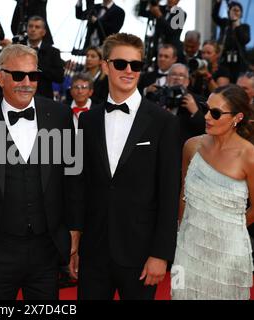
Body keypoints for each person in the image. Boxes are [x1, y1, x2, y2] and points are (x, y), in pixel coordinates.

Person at [71, 33, 181, 300]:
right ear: (106, 66)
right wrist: (75, 242)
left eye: (136, 65)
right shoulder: (89, 120)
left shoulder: (162, 122)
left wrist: (161, 254)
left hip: (141, 254)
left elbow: (169, 193)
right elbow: (79, 185)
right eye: (121, 64)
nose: (129, 71)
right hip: (94, 252)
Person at [0, 44, 78, 300]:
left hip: (46, 248)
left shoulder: (60, 115)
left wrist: (74, 229)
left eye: (33, 75)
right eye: (18, 76)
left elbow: (73, 175)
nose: (27, 82)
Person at [172, 84, 254, 300]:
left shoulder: (249, 156)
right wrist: (182, 234)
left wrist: (227, 229)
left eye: (215, 113)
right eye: (205, 108)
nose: (206, 116)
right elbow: (183, 196)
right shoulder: (191, 146)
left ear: (237, 117)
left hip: (228, 254)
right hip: (188, 249)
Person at [25, 15, 64, 100]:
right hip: (21, 95)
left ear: (43, 32)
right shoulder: (17, 49)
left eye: (37, 27)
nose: (33, 29)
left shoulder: (53, 52)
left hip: (44, 98)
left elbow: (59, 77)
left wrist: (38, 67)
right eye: (30, 26)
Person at [212, 0, 251, 83]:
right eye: (233, 10)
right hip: (225, 59)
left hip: (239, 61)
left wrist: (237, 26)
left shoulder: (244, 27)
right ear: (229, 11)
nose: (235, 12)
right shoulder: (225, 24)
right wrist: (218, 3)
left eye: (238, 10)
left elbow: (245, 40)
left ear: (241, 13)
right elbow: (215, 16)